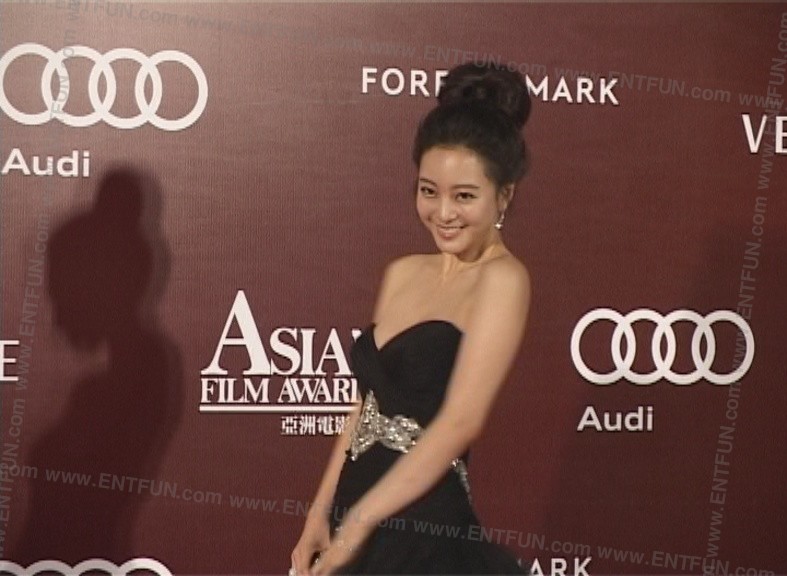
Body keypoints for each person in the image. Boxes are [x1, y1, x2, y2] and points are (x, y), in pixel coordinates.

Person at [291, 61, 533, 575]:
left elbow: (461, 421)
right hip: (355, 508)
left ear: (504, 195)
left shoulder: (503, 280)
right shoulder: (402, 273)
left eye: (464, 196)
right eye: (428, 191)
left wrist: (361, 523)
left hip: (425, 527)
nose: (442, 213)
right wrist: (320, 513)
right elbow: (363, 410)